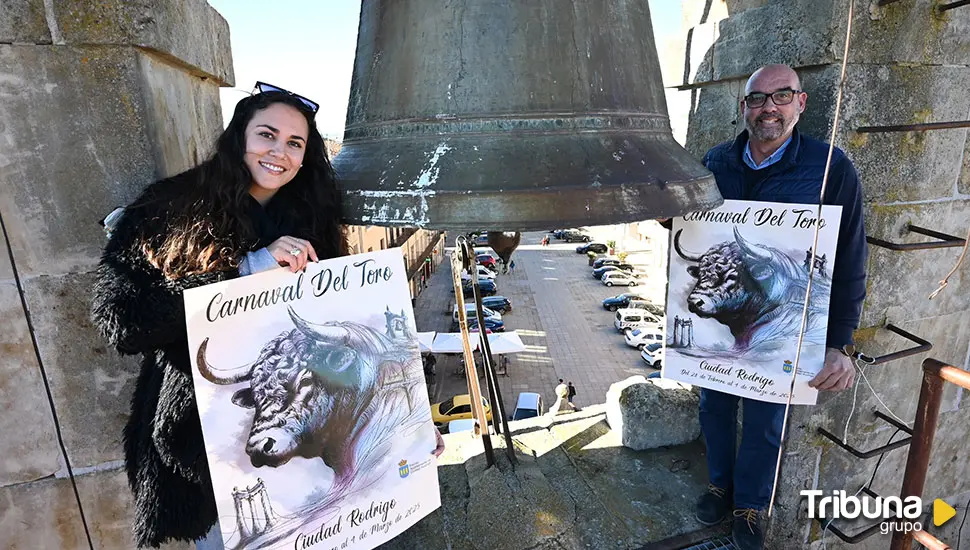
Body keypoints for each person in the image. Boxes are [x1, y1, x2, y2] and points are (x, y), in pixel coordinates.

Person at [91, 84, 443, 548]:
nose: (280, 152)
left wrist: (408, 420)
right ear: (239, 138)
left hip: (308, 460)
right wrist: (245, 270)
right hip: (204, 455)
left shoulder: (311, 216)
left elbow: (347, 334)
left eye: (295, 144)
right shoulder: (167, 207)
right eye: (267, 135)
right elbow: (120, 317)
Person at [689, 65, 867, 550]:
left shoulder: (832, 168)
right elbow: (699, 236)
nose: (769, 107)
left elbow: (849, 259)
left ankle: (750, 503)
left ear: (801, 103)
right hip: (728, 318)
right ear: (743, 107)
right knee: (714, 402)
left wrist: (839, 343)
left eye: (781, 96)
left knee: (769, 418)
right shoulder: (717, 161)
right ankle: (719, 485)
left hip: (784, 321)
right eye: (757, 99)